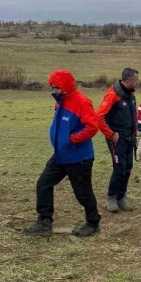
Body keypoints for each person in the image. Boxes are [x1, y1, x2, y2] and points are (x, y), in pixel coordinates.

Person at [24, 70, 101, 237]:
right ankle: (44, 222)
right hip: (60, 155)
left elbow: (92, 126)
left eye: (57, 87)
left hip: (79, 157)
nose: (54, 90)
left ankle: (93, 222)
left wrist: (72, 139)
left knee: (83, 192)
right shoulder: (59, 102)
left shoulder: (81, 102)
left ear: (66, 86)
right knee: (43, 184)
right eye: (52, 87)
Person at [97, 68, 138, 213]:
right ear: (129, 80)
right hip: (117, 138)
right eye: (136, 80)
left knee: (128, 167)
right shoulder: (112, 95)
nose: (137, 83)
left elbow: (133, 115)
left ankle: (121, 197)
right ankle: (111, 197)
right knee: (119, 168)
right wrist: (111, 134)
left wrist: (135, 132)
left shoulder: (130, 95)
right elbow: (99, 117)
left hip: (129, 138)